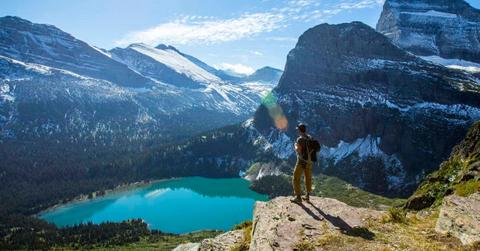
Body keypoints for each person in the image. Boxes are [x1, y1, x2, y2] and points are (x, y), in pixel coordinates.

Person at [291, 123, 314, 203]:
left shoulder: (300, 139)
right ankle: (307, 196)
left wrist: (295, 146)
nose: (297, 130)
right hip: (309, 161)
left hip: (301, 161)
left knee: (296, 177)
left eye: (298, 129)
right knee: (308, 178)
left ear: (300, 130)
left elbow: (298, 150)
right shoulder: (310, 137)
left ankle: (298, 197)